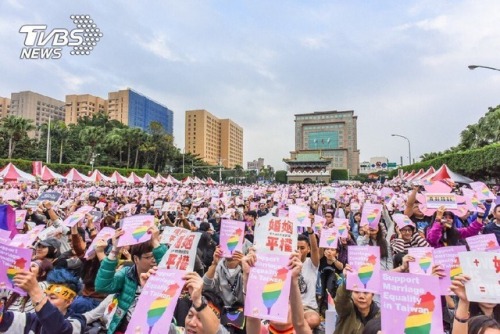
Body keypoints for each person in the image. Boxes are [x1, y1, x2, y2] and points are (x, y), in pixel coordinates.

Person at [94, 226, 167, 334]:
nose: (154, 260)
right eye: (148, 257)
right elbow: (102, 286)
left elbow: (168, 267)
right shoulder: (127, 274)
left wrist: (155, 242)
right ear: (136, 259)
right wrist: (115, 250)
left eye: (155, 256)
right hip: (124, 328)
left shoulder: (162, 277)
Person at [244, 251, 312, 334]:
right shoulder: (262, 330)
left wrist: (293, 280)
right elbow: (252, 318)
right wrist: (248, 274)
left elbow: (300, 324)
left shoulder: (300, 330)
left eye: (286, 302)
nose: (281, 308)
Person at [0, 268, 86, 333]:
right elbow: (4, 320)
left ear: (68, 301)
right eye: (45, 296)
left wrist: (34, 290)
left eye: (52, 298)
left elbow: (58, 329)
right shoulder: (32, 319)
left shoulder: (77, 322)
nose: (46, 300)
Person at [334, 264, 380, 334]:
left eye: (366, 293)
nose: (361, 296)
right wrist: (347, 282)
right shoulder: (346, 310)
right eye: (356, 292)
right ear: (351, 293)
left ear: (372, 294)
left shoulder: (381, 317)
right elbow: (341, 300)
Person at [297, 223, 321, 330]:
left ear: (308, 249)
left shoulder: (312, 263)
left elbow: (316, 250)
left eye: (302, 248)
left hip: (308, 307)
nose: (299, 251)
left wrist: (311, 231)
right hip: (289, 307)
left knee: (313, 320)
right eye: (296, 248)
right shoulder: (287, 263)